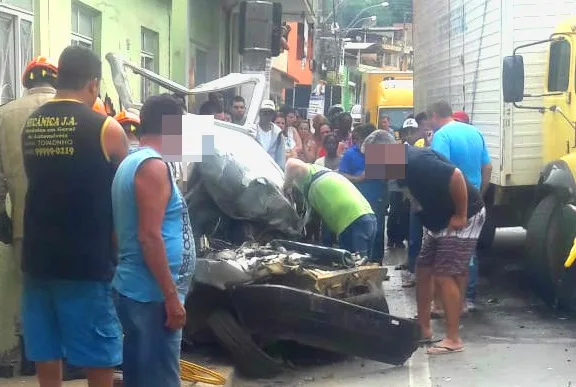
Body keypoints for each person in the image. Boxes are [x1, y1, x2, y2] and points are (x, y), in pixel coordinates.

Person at [20, 45, 129, 386]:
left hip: (37, 257)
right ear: (94, 84)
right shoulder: (106, 128)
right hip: (85, 260)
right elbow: (123, 198)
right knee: (98, 352)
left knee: (45, 346)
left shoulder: (31, 124)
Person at [363, 129, 485, 355]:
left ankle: (453, 339)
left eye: (373, 159)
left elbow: (456, 176)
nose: (373, 167)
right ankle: (424, 328)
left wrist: (460, 214)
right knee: (423, 268)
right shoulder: (400, 167)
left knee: (444, 273)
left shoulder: (417, 161)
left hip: (462, 215)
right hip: (437, 219)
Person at [112, 94, 195, 387]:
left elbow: (120, 231)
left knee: (142, 378)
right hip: (151, 297)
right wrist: (171, 298)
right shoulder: (153, 167)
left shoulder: (133, 162)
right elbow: (149, 236)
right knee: (159, 379)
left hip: (142, 292)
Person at [0, 56, 58, 375]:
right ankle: (64, 359)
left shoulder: (4, 115)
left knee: (30, 293)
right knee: (68, 291)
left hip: (23, 224)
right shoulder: (77, 112)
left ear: (27, 82)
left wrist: (2, 217)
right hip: (71, 226)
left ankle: (28, 359)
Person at [429, 102, 492, 312]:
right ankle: (467, 299)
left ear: (435, 116)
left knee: (446, 253)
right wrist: (479, 193)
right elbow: (488, 166)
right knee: (469, 251)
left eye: (431, 119)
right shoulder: (475, 133)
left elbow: (440, 169)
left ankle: (445, 304)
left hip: (453, 202)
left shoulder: (442, 135)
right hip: (474, 200)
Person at [284, 158, 376, 258]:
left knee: (357, 266)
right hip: (365, 218)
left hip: (353, 221)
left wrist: (286, 186)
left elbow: (291, 163)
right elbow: (314, 220)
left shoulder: (308, 173)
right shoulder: (314, 188)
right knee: (360, 266)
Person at [339, 124, 386, 264]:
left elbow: (395, 178)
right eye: (358, 140)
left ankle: (376, 263)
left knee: (377, 231)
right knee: (358, 232)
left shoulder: (383, 152)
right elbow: (341, 175)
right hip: (357, 201)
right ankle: (356, 262)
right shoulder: (350, 154)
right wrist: (359, 178)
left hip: (378, 199)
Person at [256, 100, 285, 169]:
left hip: (272, 171)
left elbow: (280, 157)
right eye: (265, 113)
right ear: (260, 113)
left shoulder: (278, 133)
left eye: (270, 113)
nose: (267, 116)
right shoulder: (252, 131)